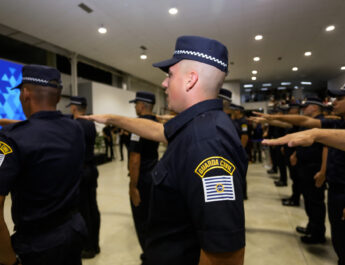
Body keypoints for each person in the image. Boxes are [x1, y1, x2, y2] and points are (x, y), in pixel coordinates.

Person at [83, 36, 247, 265]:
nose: (164, 83)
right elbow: (159, 130)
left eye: (169, 75)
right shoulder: (198, 123)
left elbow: (226, 255)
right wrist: (113, 118)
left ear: (191, 79)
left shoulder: (208, 143)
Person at [0, 64, 86, 265]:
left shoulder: (10, 140)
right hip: (73, 231)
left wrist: (9, 261)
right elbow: (44, 128)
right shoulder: (75, 129)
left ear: (25, 94)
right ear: (57, 96)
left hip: (38, 246)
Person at [257, 88, 345, 264]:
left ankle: (317, 232)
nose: (334, 102)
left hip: (339, 185)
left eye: (340, 99)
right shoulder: (338, 122)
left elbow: (320, 139)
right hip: (336, 185)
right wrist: (273, 118)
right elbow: (303, 120)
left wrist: (315, 136)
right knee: (338, 235)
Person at [128, 91, 159, 265]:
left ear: (142, 105)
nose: (135, 107)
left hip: (143, 178)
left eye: (136, 104)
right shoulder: (156, 122)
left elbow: (134, 159)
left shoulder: (137, 126)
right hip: (155, 173)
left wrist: (133, 186)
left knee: (142, 220)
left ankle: (149, 257)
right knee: (153, 217)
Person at [67, 96, 101, 258]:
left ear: (74, 107)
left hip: (81, 172)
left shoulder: (74, 125)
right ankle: (95, 244)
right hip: (91, 169)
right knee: (92, 209)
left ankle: (88, 247)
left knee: (83, 211)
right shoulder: (89, 124)